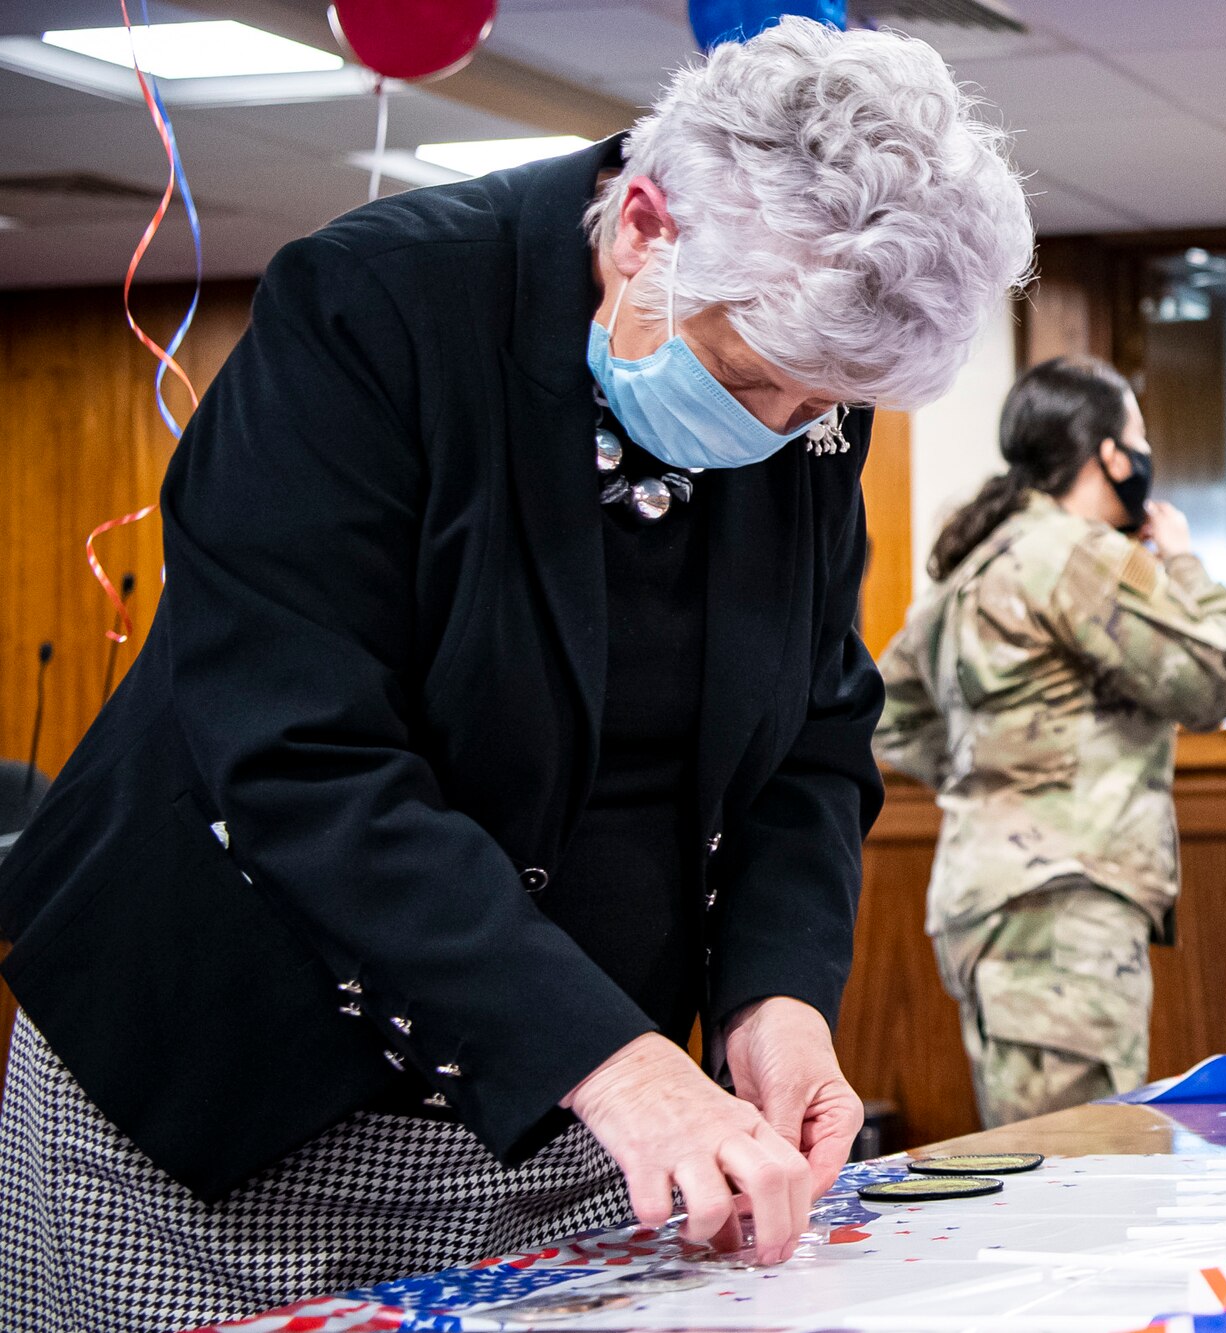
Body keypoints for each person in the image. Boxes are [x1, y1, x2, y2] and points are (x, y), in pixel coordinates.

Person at [0, 19, 1032, 1331]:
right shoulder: (375, 308)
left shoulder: (807, 383)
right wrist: (609, 1063)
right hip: (221, 1096)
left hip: (566, 1121)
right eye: (751, 382)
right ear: (646, 225)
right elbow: (302, 757)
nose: (777, 435)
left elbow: (815, 733)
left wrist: (777, 994)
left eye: (813, 411)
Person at [875, 357, 1226, 1127]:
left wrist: (996, 768)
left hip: (989, 896)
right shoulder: (1076, 554)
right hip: (1064, 900)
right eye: (1136, 437)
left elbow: (885, 716)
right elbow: (1217, 678)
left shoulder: (978, 557)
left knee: (1035, 1146)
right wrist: (1180, 557)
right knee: (1084, 1162)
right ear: (1108, 453)